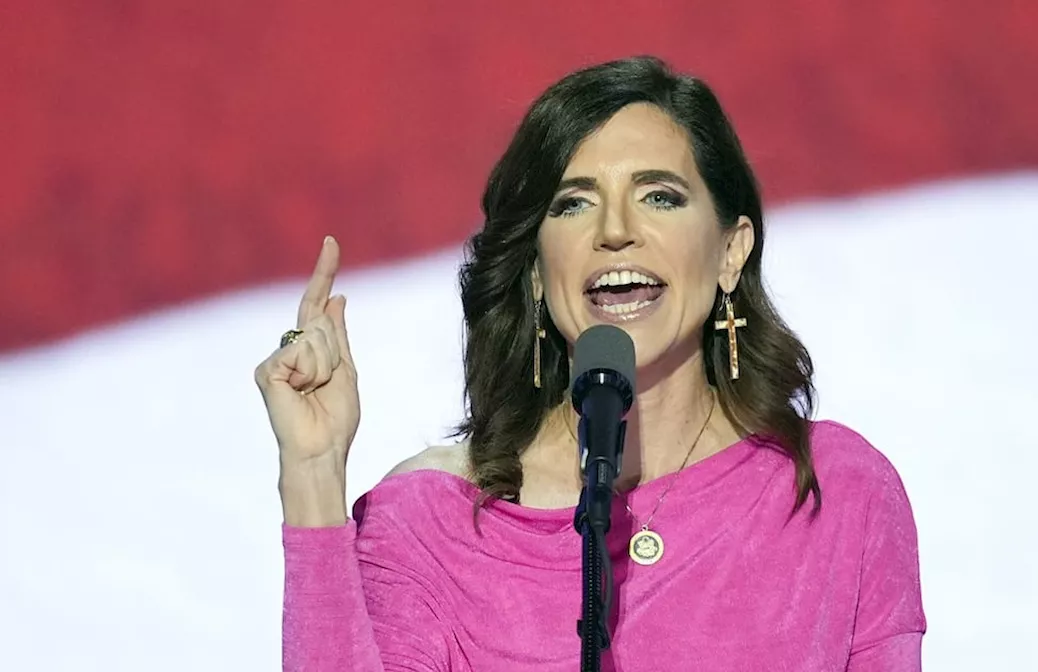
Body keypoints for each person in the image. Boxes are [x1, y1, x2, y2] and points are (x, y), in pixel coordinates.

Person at [256, 56, 925, 671]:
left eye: (659, 195)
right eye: (573, 203)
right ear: (539, 273)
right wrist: (314, 478)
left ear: (730, 251)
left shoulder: (836, 493)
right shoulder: (428, 524)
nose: (614, 230)